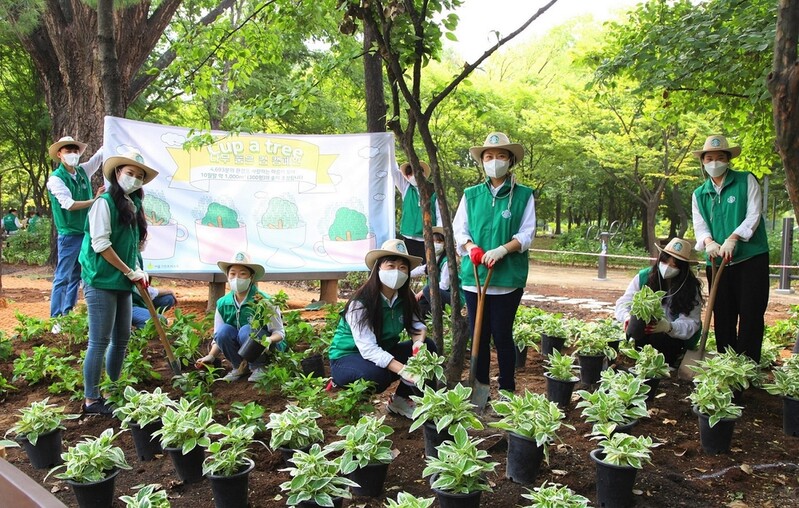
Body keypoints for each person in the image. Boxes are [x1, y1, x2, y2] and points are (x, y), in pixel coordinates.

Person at [453, 132, 536, 395]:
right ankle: (480, 388)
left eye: (501, 156)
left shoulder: (523, 195)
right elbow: (460, 229)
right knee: (479, 334)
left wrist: (502, 250)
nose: (494, 161)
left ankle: (508, 388)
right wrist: (472, 247)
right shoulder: (471, 194)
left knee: (502, 335)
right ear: (482, 161)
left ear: (510, 160)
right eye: (489, 156)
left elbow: (527, 233)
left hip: (507, 279)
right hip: (473, 277)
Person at [79, 149, 157, 414]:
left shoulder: (132, 205)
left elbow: (130, 246)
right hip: (101, 279)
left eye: (139, 176)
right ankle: (91, 399)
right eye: (129, 173)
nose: (134, 179)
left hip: (122, 280)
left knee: (121, 338)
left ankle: (113, 388)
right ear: (117, 173)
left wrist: (137, 269)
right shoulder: (104, 203)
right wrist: (128, 271)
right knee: (99, 340)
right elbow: (101, 245)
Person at [328, 239, 437, 419]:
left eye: (403, 267)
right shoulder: (361, 302)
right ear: (378, 268)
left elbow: (417, 327)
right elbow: (368, 349)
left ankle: (401, 400)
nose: (397, 271)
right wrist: (403, 369)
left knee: (429, 347)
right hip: (347, 357)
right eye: (391, 265)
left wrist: (417, 348)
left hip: (383, 351)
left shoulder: (405, 297)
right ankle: (357, 406)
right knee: (376, 375)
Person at [691, 134, 769, 364]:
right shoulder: (699, 194)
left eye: (720, 157)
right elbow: (699, 224)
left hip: (750, 258)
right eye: (710, 158)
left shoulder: (746, 181)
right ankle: (726, 364)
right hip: (716, 261)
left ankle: (747, 365)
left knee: (751, 314)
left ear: (728, 159)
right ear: (703, 162)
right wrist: (709, 242)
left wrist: (734, 238)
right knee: (723, 315)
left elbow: (754, 215)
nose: (715, 162)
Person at [614, 238, 704, 366]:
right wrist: (627, 317)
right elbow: (624, 302)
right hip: (645, 333)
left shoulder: (690, 288)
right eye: (665, 262)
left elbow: (692, 323)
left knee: (665, 342)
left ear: (682, 268)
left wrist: (668, 327)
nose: (667, 268)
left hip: (673, 338)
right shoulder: (644, 276)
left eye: (674, 265)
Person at [47, 136, 105, 323]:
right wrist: (95, 201)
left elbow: (99, 157)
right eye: (68, 151)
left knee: (76, 276)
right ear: (59, 154)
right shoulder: (55, 180)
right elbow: (69, 204)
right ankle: (55, 317)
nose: (72, 154)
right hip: (69, 234)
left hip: (85, 232)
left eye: (75, 151)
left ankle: (67, 313)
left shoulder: (82, 172)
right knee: (63, 276)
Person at [213, 251, 286, 383]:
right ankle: (239, 366)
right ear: (227, 276)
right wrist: (210, 356)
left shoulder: (264, 301)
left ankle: (259, 367)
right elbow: (218, 336)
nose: (237, 278)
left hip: (265, 349)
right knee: (223, 331)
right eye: (233, 274)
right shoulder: (222, 303)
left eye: (242, 274)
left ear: (251, 277)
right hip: (241, 350)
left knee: (247, 330)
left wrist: (268, 340)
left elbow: (279, 332)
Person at [393, 160, 441, 258]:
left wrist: (439, 235)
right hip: (408, 237)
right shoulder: (406, 188)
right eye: (409, 173)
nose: (413, 175)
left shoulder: (434, 191)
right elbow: (394, 171)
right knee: (409, 268)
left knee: (429, 268)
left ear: (423, 173)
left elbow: (440, 215)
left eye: (417, 171)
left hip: (428, 238)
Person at [411, 227, 451, 317]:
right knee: (419, 304)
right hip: (434, 294)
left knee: (426, 290)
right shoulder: (433, 260)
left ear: (445, 244)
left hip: (450, 297)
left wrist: (424, 291)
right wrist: (404, 272)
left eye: (439, 242)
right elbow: (419, 270)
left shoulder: (447, 262)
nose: (436, 244)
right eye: (433, 241)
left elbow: (444, 286)